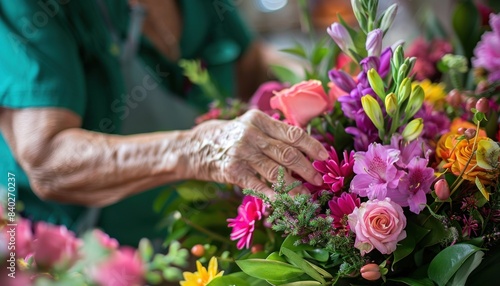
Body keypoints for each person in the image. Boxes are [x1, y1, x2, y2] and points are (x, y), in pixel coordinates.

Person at [0, 0, 328, 246]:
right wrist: (198, 149)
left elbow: (253, 63)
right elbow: (46, 159)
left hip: (199, 246)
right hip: (82, 260)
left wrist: (326, 87)